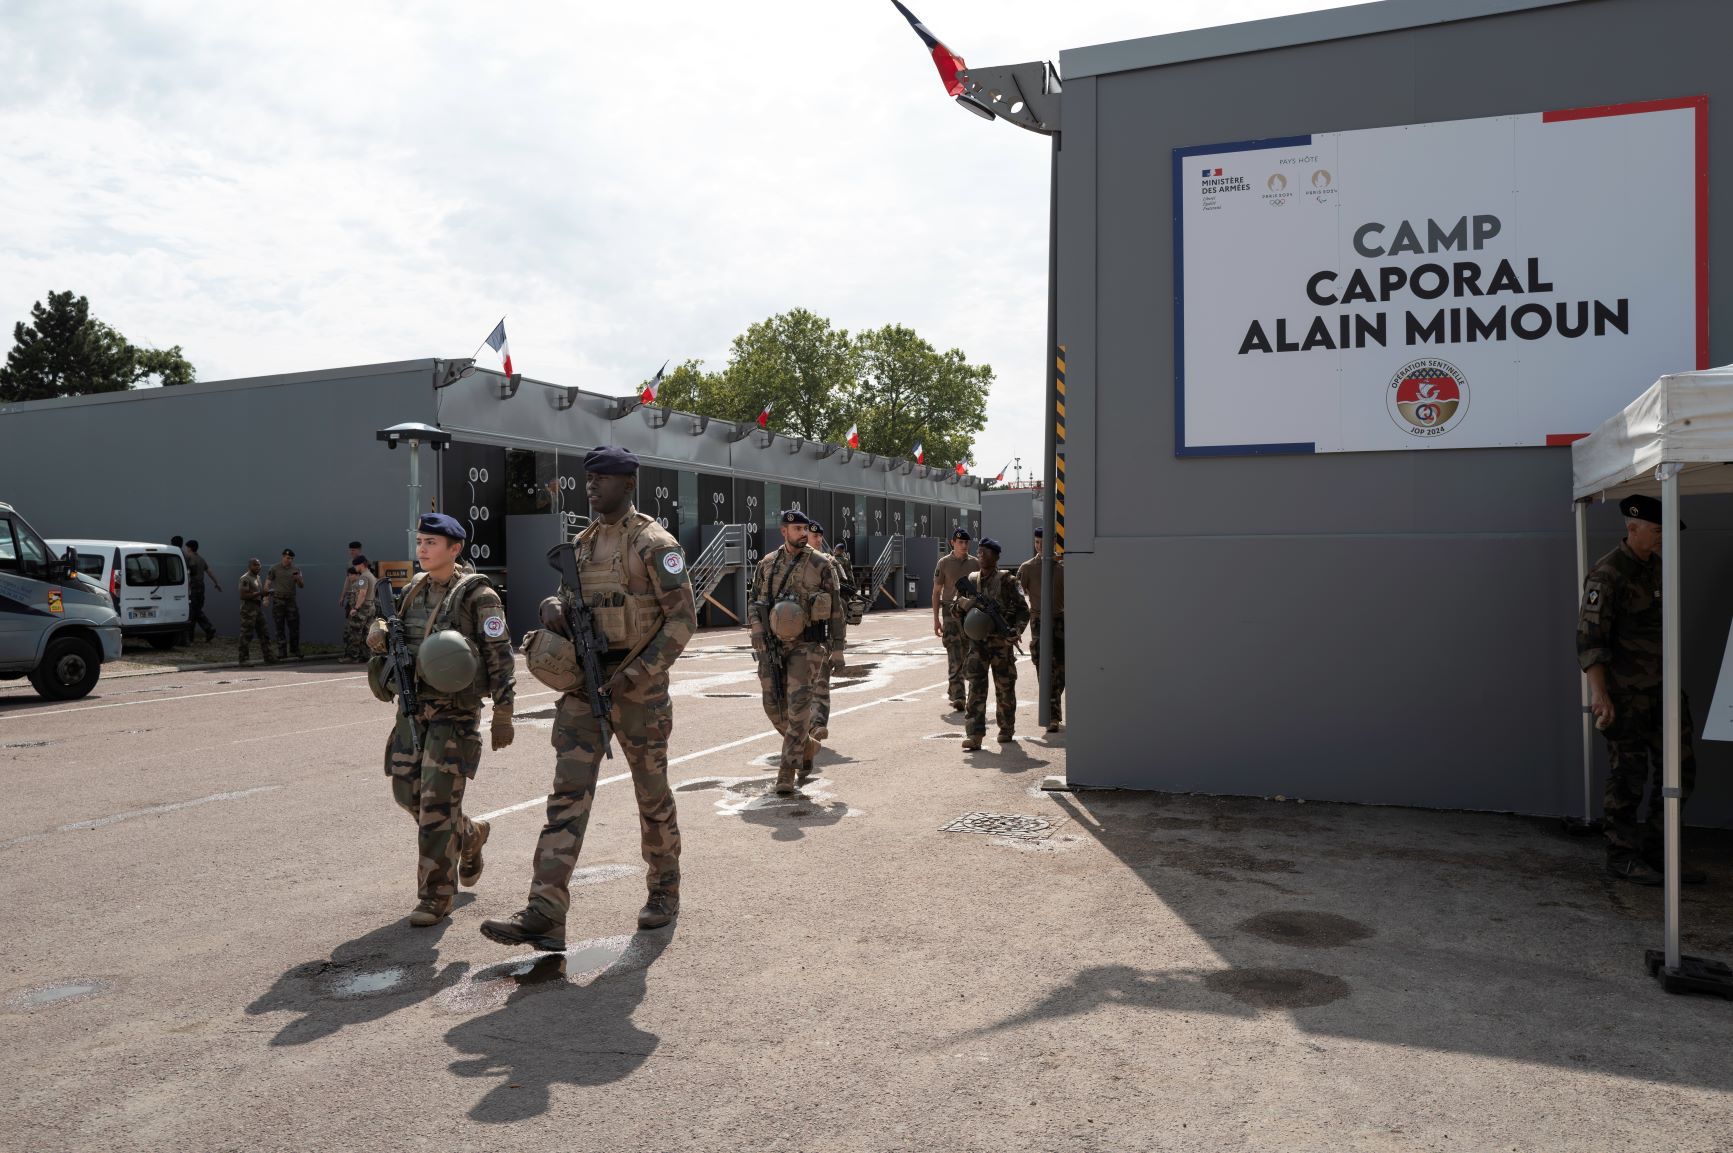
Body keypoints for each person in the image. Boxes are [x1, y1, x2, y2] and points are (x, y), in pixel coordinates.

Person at [481, 446, 696, 952]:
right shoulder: (580, 544)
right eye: (589, 479)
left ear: (629, 483)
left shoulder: (653, 543)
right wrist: (553, 605)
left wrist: (639, 672)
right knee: (566, 798)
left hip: (638, 690)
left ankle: (664, 890)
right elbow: (572, 601)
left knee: (651, 794)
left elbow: (683, 619)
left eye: (602, 479)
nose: (591, 486)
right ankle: (545, 914)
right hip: (585, 686)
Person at [366, 513, 515, 927]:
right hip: (414, 710)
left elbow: (499, 654)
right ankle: (470, 835)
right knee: (405, 793)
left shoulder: (478, 595)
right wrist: (377, 628)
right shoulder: (413, 589)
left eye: (432, 543)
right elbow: (389, 626)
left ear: (455, 549)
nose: (423, 549)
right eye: (420, 542)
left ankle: (435, 897)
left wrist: (504, 711)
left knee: (435, 806)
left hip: (455, 712)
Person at [1578, 494, 1702, 886]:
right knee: (1628, 776)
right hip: (1626, 696)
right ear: (1634, 528)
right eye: (1658, 530)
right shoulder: (1607, 574)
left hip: (1664, 694)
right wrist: (1600, 695)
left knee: (1679, 773)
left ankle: (1658, 852)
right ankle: (1623, 856)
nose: (1663, 538)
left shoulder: (1657, 568)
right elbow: (1590, 641)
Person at [749, 509, 844, 793]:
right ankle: (807, 747)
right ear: (784, 532)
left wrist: (837, 648)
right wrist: (756, 631)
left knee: (799, 707)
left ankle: (786, 772)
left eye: (805, 529)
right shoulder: (767, 564)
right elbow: (754, 602)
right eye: (798, 529)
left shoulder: (821, 564)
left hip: (808, 645)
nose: (803, 534)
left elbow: (836, 608)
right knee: (772, 704)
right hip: (773, 644)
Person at [955, 537, 1030, 752]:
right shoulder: (971, 579)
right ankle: (974, 734)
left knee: (1004, 688)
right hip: (977, 644)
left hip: (1001, 644)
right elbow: (955, 608)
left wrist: (1016, 630)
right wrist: (963, 604)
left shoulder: (1007, 580)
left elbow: (1022, 610)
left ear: (996, 557)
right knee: (976, 689)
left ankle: (1006, 728)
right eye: (979, 552)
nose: (980, 555)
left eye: (985, 552)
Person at [1017, 527, 1065, 733]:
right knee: (1044, 669)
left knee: (1062, 669)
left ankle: (1052, 704)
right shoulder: (1027, 568)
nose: (1039, 546)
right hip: (1039, 621)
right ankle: (1053, 715)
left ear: (1053, 541)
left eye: (1043, 542)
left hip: (1061, 620)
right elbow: (1018, 595)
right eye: (1036, 542)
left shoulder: (1063, 566)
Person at [805, 521, 849, 741]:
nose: (818, 540)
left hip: (820, 634)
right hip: (792, 636)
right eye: (814, 536)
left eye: (820, 536)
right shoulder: (783, 562)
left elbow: (837, 606)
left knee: (821, 682)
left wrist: (839, 645)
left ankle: (817, 725)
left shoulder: (827, 564)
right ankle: (801, 727)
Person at [932, 528, 980, 714]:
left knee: (971, 653)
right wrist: (936, 620)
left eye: (966, 542)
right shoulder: (943, 563)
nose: (964, 545)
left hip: (970, 613)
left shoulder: (975, 563)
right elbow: (936, 592)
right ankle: (959, 696)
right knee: (954, 654)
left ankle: (957, 690)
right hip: (950, 613)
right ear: (952, 543)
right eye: (960, 542)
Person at [236, 558, 277, 666]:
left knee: (264, 633)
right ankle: (243, 659)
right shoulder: (245, 578)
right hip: (248, 610)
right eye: (255, 565)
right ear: (250, 566)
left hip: (257, 609)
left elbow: (259, 593)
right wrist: (259, 593)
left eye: (259, 565)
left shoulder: (257, 577)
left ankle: (268, 657)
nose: (258, 567)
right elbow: (243, 595)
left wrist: (267, 593)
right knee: (246, 634)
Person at [180, 538, 221, 644]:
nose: (185, 548)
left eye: (186, 547)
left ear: (189, 548)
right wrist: (216, 583)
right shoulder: (201, 559)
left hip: (192, 588)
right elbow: (209, 571)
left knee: (194, 611)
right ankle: (191, 637)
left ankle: (208, 629)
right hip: (201, 589)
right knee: (194, 612)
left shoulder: (188, 558)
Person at [267, 548, 304, 659]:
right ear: (283, 557)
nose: (289, 560)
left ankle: (294, 650)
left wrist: (298, 579)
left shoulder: (296, 569)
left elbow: (301, 585)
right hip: (278, 600)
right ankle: (282, 652)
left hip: (290, 601)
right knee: (279, 627)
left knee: (294, 627)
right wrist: (265, 597)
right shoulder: (274, 568)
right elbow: (267, 583)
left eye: (291, 558)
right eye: (288, 558)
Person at [342, 556, 378, 662]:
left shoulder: (363, 577)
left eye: (356, 565)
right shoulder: (371, 575)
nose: (355, 567)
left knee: (355, 632)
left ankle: (352, 656)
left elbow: (362, 593)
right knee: (366, 632)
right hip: (371, 606)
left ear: (361, 564)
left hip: (363, 608)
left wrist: (356, 608)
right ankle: (366, 656)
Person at [336, 541, 365, 612]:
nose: (351, 552)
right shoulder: (350, 563)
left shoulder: (365, 563)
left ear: (359, 550)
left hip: (362, 597)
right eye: (350, 550)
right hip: (352, 596)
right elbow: (347, 580)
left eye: (353, 550)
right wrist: (342, 596)